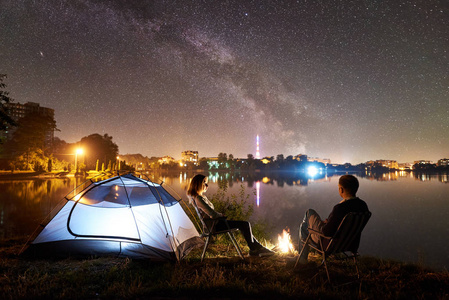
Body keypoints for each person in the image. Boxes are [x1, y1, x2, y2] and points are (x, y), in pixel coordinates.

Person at [187, 174, 274, 257]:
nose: (207, 185)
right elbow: (212, 214)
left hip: (216, 223)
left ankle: (256, 248)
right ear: (198, 184)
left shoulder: (199, 197)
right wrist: (221, 215)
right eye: (204, 183)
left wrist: (220, 216)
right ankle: (255, 249)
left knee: (244, 225)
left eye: (207, 183)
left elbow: (211, 213)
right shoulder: (199, 199)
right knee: (245, 224)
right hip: (214, 226)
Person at [297, 174, 369, 264]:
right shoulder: (363, 205)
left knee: (307, 217)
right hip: (351, 243)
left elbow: (326, 232)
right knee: (305, 225)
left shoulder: (340, 208)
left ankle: (302, 260)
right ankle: (302, 259)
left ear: (341, 189)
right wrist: (330, 222)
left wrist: (326, 224)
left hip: (328, 244)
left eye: (339, 187)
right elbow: (345, 224)